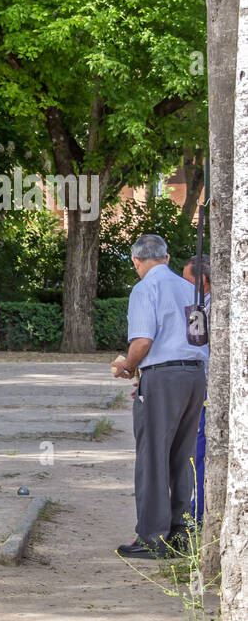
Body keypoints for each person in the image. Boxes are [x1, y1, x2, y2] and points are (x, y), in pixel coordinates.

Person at [112, 235, 208, 559]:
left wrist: (126, 366)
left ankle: (153, 536)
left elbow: (142, 341)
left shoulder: (144, 289)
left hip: (163, 376)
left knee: (153, 455)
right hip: (196, 375)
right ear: (166, 258)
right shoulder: (188, 288)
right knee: (183, 456)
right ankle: (181, 533)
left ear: (136, 262)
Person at [182, 254, 211, 527]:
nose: (183, 285)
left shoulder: (201, 309)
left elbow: (191, 348)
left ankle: (198, 510)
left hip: (208, 389)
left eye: (187, 280)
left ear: (201, 281)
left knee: (200, 450)